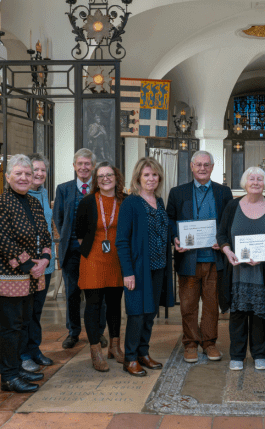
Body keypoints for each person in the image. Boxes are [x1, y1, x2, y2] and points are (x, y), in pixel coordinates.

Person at [0, 154, 52, 393]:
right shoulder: (1, 204)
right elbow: (3, 241)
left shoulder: (34, 202)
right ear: (7, 177)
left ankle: (18, 368)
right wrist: (29, 265)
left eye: (28, 174)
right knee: (11, 327)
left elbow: (45, 233)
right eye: (19, 173)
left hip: (32, 276)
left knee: (24, 323)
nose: (24, 178)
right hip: (8, 276)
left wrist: (45, 258)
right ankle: (8, 376)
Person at [166, 151, 233, 363]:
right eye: (198, 165)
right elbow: (169, 220)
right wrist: (176, 237)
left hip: (214, 258)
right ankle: (191, 343)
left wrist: (223, 241)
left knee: (212, 304)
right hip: (188, 258)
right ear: (192, 167)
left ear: (212, 167)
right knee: (188, 304)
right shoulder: (178, 193)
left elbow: (229, 222)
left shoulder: (224, 192)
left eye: (206, 165)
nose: (202, 168)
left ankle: (209, 342)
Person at [217, 167, 265, 370]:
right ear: (244, 183)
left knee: (259, 314)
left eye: (259, 179)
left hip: (262, 272)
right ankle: (237, 355)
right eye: (251, 178)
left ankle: (259, 354)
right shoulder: (232, 206)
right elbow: (221, 235)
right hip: (237, 272)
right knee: (238, 313)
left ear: (264, 184)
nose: (255, 182)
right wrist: (227, 251)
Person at [116, 157, 175, 377]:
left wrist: (175, 238)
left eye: (154, 174)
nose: (151, 178)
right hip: (138, 269)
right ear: (138, 178)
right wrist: (128, 272)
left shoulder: (159, 202)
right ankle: (130, 358)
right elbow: (121, 241)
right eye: (146, 175)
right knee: (136, 314)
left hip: (159, 266)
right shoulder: (131, 203)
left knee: (150, 313)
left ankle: (143, 353)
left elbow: (164, 228)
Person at [54, 148, 107, 349]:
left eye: (87, 164)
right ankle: (73, 332)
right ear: (74, 166)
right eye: (80, 163)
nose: (84, 167)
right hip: (71, 252)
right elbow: (59, 218)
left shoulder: (101, 188)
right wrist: (71, 238)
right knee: (72, 294)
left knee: (97, 295)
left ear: (93, 167)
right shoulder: (63, 189)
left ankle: (98, 332)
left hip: (96, 252)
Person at [75, 162, 126, 371]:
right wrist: (93, 251)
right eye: (101, 176)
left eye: (109, 175)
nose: (106, 179)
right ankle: (96, 351)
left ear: (116, 177)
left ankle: (115, 347)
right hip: (93, 259)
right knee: (93, 306)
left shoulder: (125, 201)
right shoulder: (87, 202)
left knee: (115, 305)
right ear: (96, 181)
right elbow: (79, 233)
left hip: (117, 260)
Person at [20, 153, 55, 374]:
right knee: (25, 311)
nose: (40, 173)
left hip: (46, 264)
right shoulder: (20, 197)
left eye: (43, 170)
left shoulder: (43, 195)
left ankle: (34, 349)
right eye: (36, 170)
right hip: (28, 265)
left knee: (37, 311)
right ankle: (23, 355)